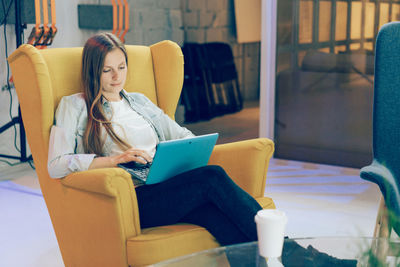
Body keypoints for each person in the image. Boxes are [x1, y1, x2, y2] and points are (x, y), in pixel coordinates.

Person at [47, 32, 262, 246]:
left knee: (216, 218)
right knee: (212, 176)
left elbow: (181, 135)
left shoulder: (140, 102)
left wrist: (186, 149)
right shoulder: (74, 105)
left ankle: (273, 257)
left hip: (164, 186)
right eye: (107, 70)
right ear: (93, 71)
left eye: (122, 67)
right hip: (133, 197)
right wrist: (114, 160)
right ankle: (284, 247)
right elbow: (55, 165)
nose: (117, 77)